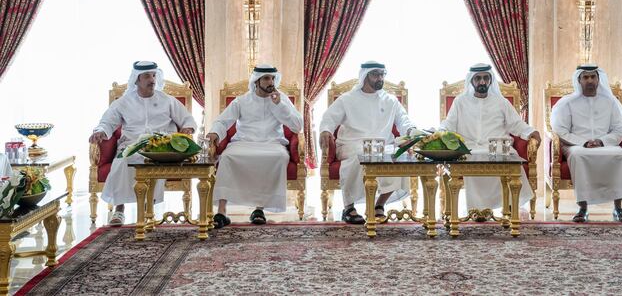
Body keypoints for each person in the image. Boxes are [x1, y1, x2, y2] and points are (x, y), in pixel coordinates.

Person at [89, 61, 196, 226]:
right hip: (132, 144)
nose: (152, 79)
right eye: (147, 76)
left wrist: (188, 129)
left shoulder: (167, 100)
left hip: (159, 145)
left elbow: (187, 119)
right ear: (137, 80)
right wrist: (101, 131)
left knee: (154, 161)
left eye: (153, 75)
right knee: (123, 161)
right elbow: (107, 121)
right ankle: (119, 210)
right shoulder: (124, 102)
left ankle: (148, 208)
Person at [319, 61, 420, 224]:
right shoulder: (347, 99)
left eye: (382, 74)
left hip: (382, 146)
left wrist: (411, 131)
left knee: (399, 161)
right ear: (365, 76)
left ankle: (379, 205)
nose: (380, 78)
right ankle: (349, 208)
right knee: (357, 158)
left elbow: (403, 120)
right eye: (376, 75)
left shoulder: (390, 100)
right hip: (352, 144)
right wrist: (325, 130)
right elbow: (329, 118)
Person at [550, 64, 622, 223]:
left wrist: (602, 141)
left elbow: (618, 130)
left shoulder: (610, 102)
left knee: (621, 155)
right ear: (579, 80)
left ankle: (618, 208)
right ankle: (583, 208)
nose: (590, 81)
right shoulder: (567, 103)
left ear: (598, 79)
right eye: (586, 77)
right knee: (578, 156)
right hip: (576, 146)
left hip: (606, 145)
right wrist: (584, 142)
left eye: (593, 77)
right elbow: (561, 131)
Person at [208, 64, 302, 227]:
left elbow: (296, 126)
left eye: (273, 78)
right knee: (227, 157)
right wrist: (215, 132)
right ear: (256, 81)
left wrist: (280, 105)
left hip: (272, 143)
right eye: (266, 78)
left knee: (279, 157)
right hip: (244, 142)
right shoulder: (242, 100)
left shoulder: (281, 99)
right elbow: (223, 120)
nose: (270, 82)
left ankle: (259, 209)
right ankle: (222, 211)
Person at [440, 63, 539, 214]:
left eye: (486, 78)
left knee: (512, 163)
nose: (482, 82)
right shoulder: (460, 101)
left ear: (490, 80)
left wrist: (531, 132)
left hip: (498, 147)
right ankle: (478, 210)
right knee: (471, 159)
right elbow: (449, 124)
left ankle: (509, 205)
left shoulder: (501, 102)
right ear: (471, 81)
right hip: (470, 148)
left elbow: (515, 124)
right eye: (478, 78)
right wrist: (440, 133)